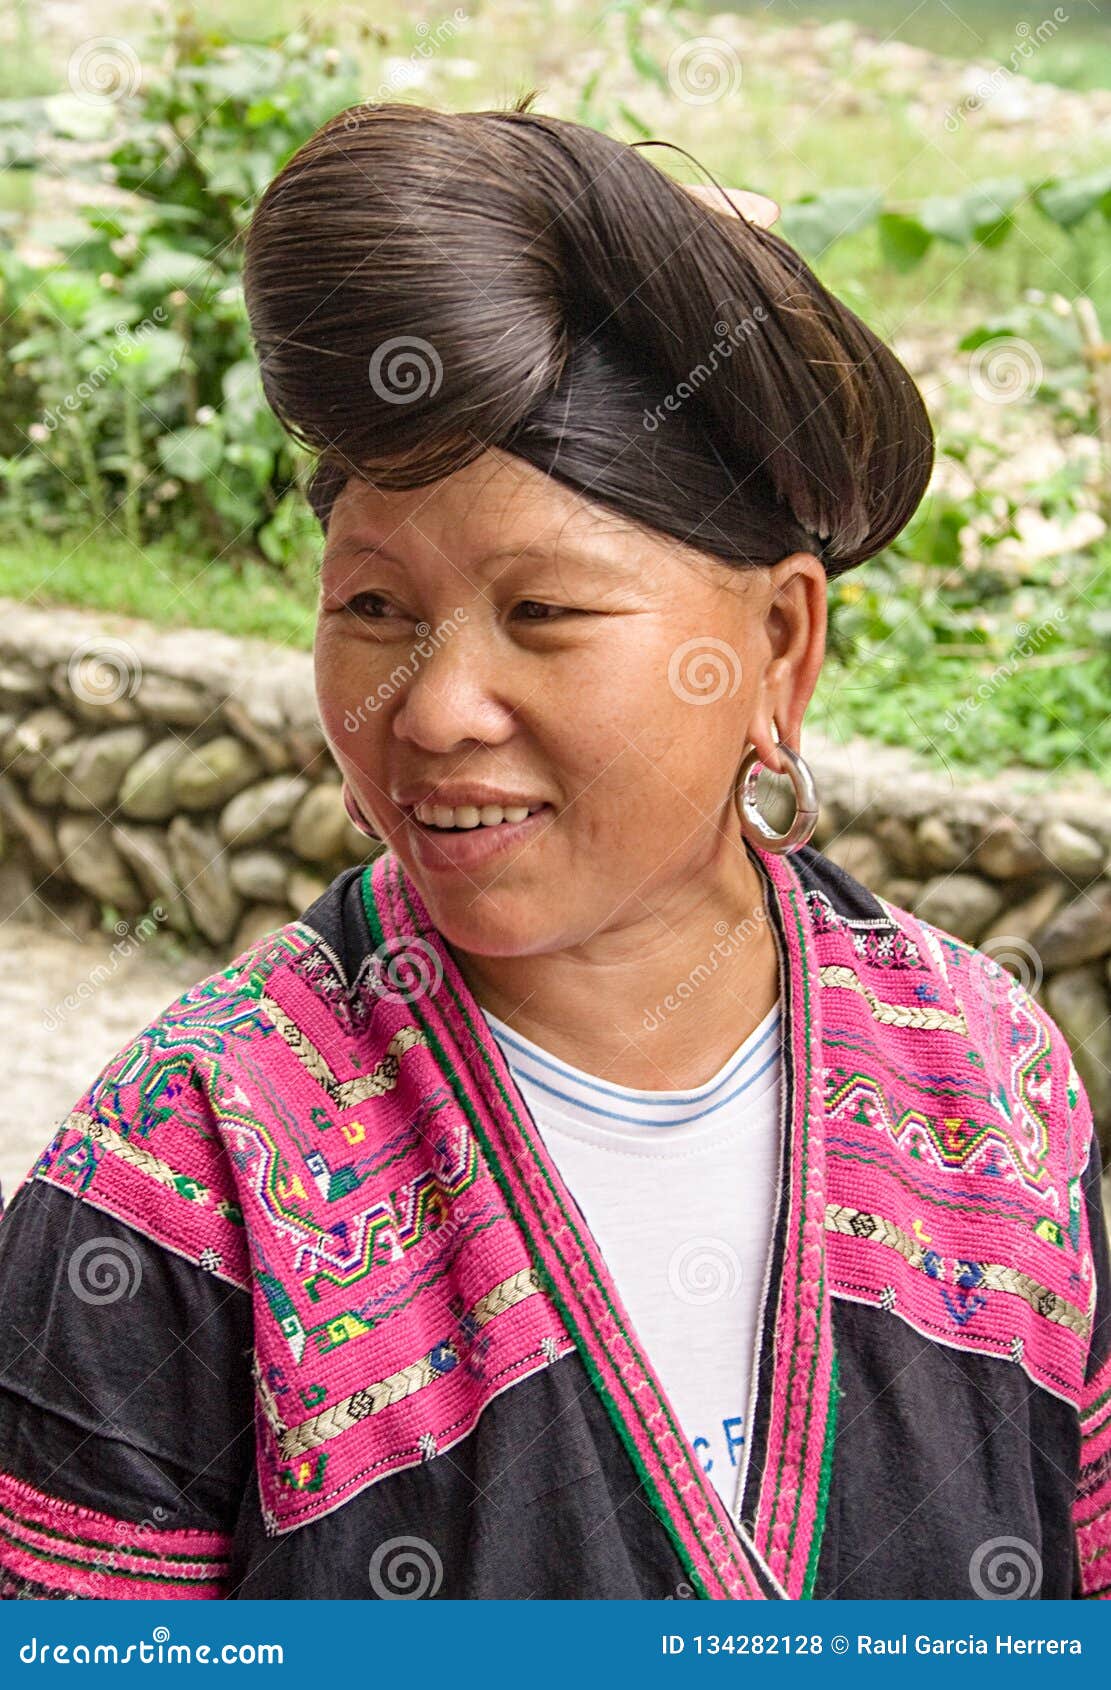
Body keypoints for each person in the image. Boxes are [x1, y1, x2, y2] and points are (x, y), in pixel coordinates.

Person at [0, 95, 1107, 1602]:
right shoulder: (183, 1175)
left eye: (545, 614)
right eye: (376, 609)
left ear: (779, 647)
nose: (437, 709)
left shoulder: (996, 1089)